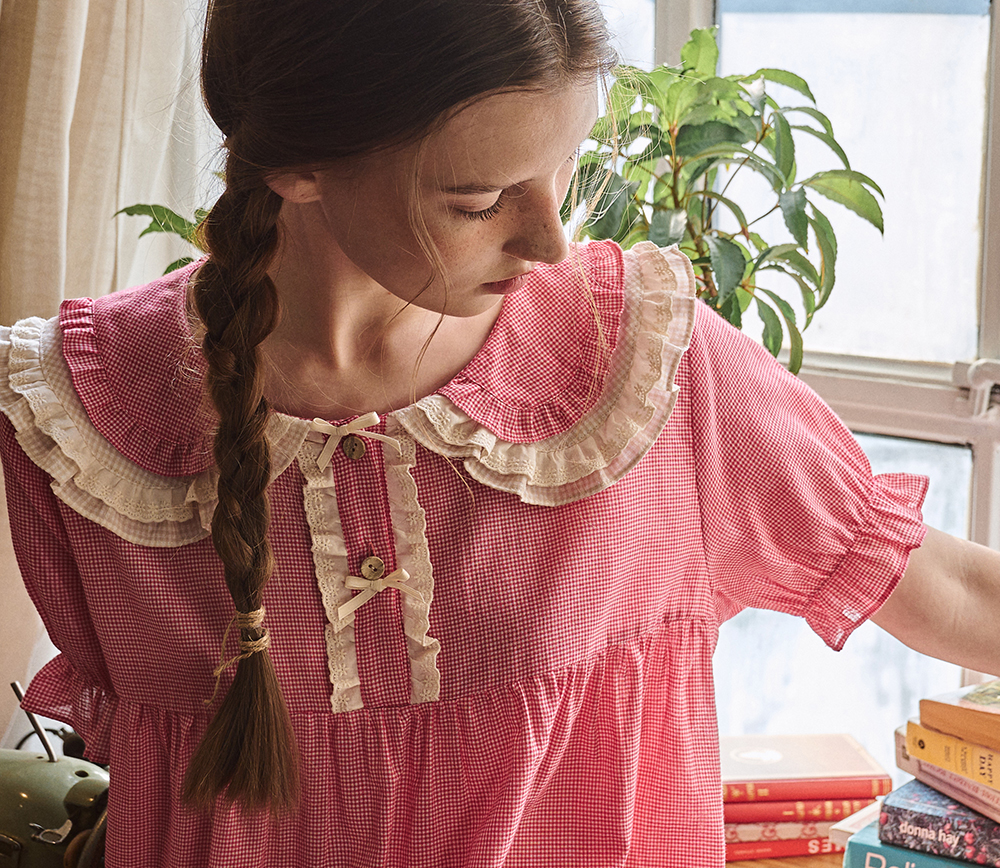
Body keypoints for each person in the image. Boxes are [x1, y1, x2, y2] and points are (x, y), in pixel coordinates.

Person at [1, 0, 999, 865]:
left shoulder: (636, 365)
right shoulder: (83, 423)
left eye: (566, 171)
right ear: (302, 166)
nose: (552, 242)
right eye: (479, 202)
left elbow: (941, 586)